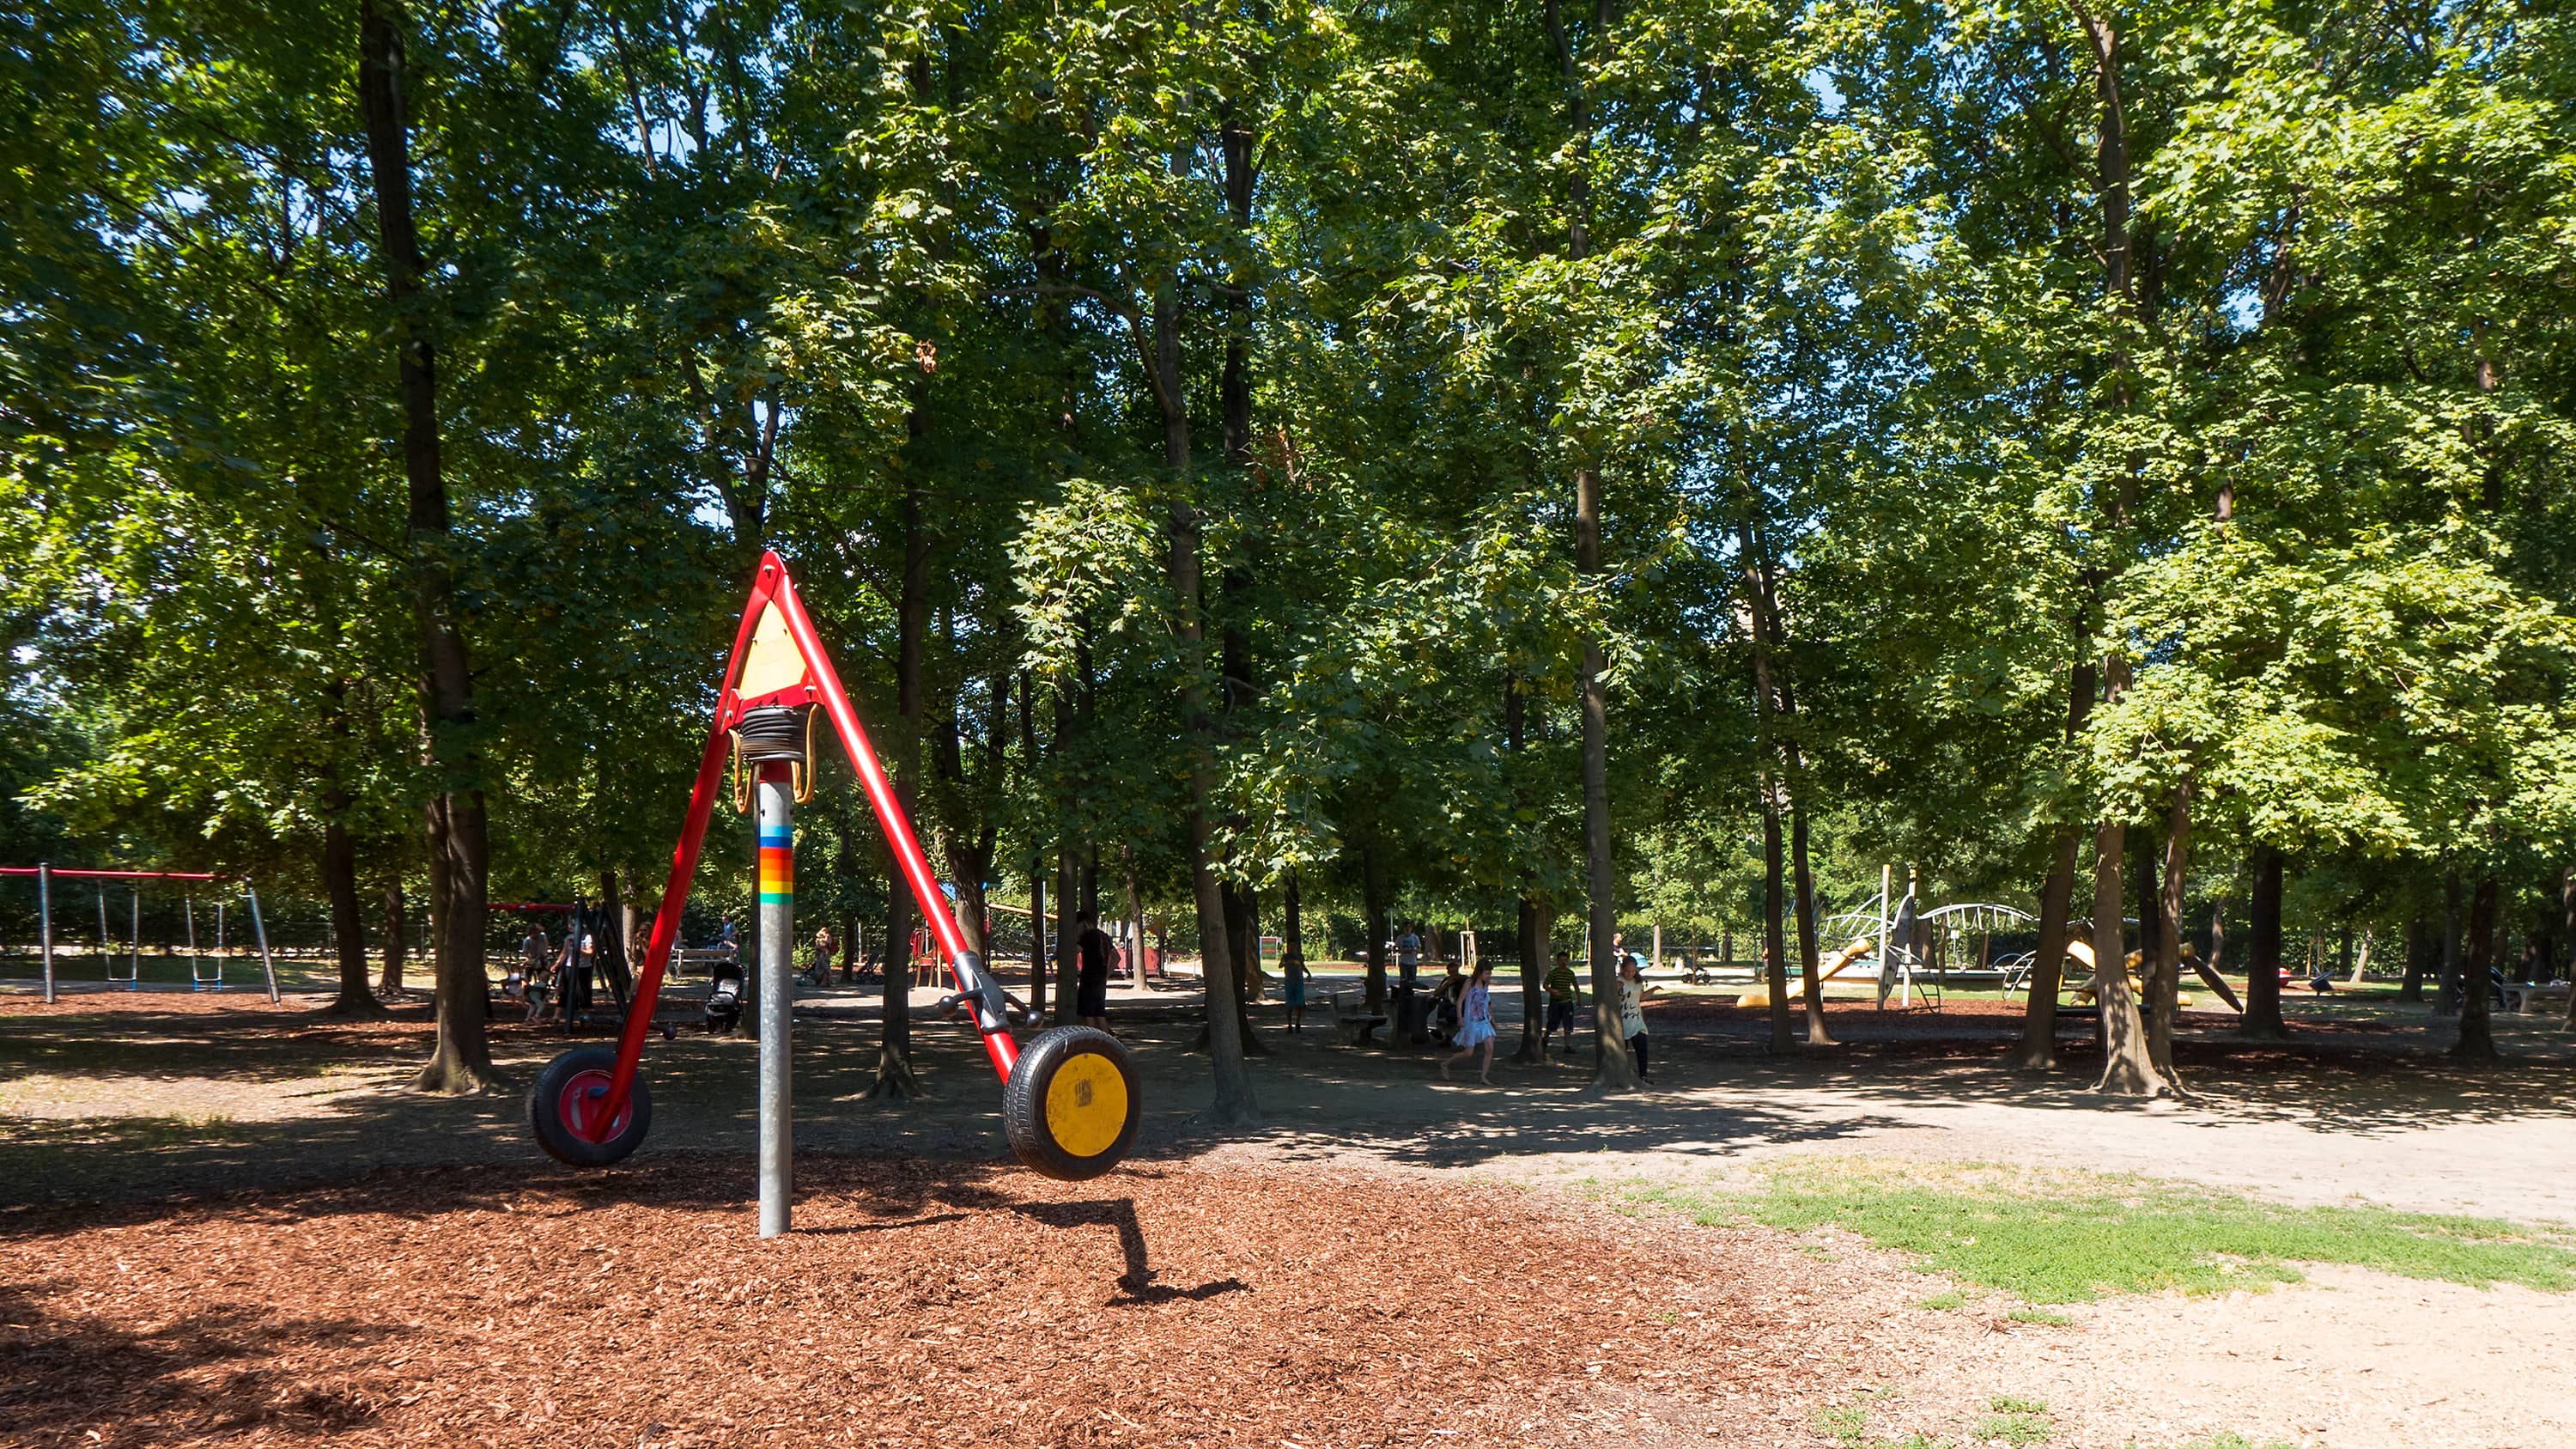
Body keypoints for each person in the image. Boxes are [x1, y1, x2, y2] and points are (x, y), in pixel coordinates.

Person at [1440, 960, 1498, 1084]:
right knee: (1468, 1053)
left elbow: (1486, 1002)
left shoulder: (1485, 984)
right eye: (1487, 973)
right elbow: (1460, 1000)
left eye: (1490, 973)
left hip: (1483, 1019)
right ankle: (1445, 1064)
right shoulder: (1470, 983)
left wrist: (1492, 1018)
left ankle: (1483, 1077)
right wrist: (1460, 1018)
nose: (1489, 976)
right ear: (1480, 972)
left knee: (1490, 1048)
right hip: (1471, 1020)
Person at [1076, 909, 1116, 1032]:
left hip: (1088, 979)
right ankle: (1108, 1041)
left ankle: (1094, 1040)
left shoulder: (1087, 937)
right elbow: (1116, 957)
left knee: (1087, 1014)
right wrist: (1107, 974)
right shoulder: (1103, 936)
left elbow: (1073, 951)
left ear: (1083, 923)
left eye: (1076, 926)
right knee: (1099, 1014)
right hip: (1101, 979)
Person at [1618, 957, 1652, 1083]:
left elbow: (1641, 997)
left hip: (1637, 1019)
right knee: (1622, 1050)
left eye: (1633, 971)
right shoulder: (1618, 981)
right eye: (1627, 971)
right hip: (1622, 1020)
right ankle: (1621, 1075)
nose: (1630, 974)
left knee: (1642, 1047)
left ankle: (1643, 1075)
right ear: (1622, 969)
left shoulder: (1638, 982)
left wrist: (1654, 990)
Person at [1544, 949, 1581, 1056]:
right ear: (1557, 961)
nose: (1563, 963)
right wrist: (1553, 991)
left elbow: (1575, 986)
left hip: (1567, 1002)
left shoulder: (1570, 973)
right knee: (1552, 1022)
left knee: (1568, 1024)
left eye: (1565, 960)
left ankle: (1567, 1046)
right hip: (1555, 1003)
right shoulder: (1553, 973)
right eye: (1561, 960)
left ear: (1568, 961)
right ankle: (1545, 1039)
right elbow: (1545, 985)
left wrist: (1579, 998)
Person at [1281, 949, 1312, 1032]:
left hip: (1299, 980)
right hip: (1289, 981)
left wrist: (1308, 973)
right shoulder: (1285, 956)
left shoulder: (1300, 956)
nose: (1293, 947)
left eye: (1294, 946)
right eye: (1291, 946)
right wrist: (1287, 963)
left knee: (1300, 1003)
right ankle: (1289, 1025)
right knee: (1290, 1004)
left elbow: (1302, 966)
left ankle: (1298, 1024)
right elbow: (1280, 965)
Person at [807, 924, 837, 989]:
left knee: (825, 967)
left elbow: (827, 944)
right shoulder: (818, 939)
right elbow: (817, 946)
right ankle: (819, 981)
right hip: (819, 954)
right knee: (819, 968)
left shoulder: (828, 937)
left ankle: (825, 982)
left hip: (825, 954)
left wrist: (822, 944)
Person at [1396, 924, 1422, 991]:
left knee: (1412, 981)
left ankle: (1410, 994)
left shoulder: (1415, 937)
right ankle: (1403, 994)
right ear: (1403, 929)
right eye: (1406, 928)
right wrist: (1401, 950)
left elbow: (1419, 949)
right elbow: (1395, 948)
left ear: (1411, 928)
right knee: (1403, 980)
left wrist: (1414, 950)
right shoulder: (1400, 938)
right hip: (1403, 962)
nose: (1407, 929)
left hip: (1413, 962)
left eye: (1409, 928)